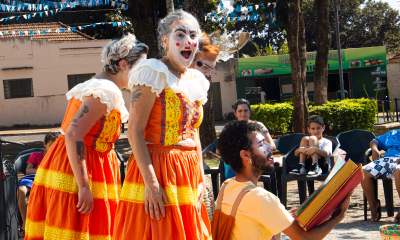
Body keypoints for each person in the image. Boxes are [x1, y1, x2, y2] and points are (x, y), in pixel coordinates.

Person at [24, 33, 148, 240]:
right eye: (141, 67)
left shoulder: (99, 84)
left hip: (78, 165)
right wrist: (83, 186)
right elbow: (73, 134)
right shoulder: (105, 91)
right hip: (80, 170)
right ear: (124, 65)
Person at [112, 10, 211, 240]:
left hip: (187, 172)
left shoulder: (196, 80)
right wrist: (152, 183)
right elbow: (134, 131)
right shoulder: (152, 71)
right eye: (180, 34)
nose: (188, 41)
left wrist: (200, 177)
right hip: (157, 169)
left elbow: (194, 133)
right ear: (165, 41)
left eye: (193, 35)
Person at [214, 120, 353, 240]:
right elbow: (305, 238)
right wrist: (338, 217)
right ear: (245, 155)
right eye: (262, 143)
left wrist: (282, 212)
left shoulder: (227, 186)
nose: (271, 147)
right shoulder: (261, 198)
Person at [18, 132, 59, 237]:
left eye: (56, 145)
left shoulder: (59, 157)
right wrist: (45, 170)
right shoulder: (35, 155)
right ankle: (24, 222)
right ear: (44, 144)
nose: (53, 148)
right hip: (33, 179)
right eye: (51, 145)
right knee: (22, 190)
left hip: (50, 180)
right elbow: (29, 170)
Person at [361, 129, 400, 222]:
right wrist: (374, 150)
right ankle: (373, 204)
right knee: (363, 172)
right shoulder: (393, 133)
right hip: (387, 159)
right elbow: (374, 141)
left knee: (399, 171)